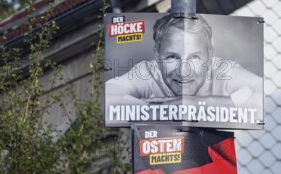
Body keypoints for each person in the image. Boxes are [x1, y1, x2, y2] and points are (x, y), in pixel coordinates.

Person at [105, 14, 263, 111]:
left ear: (210, 55)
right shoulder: (147, 71)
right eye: (172, 57)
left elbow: (260, 90)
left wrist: (197, 105)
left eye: (194, 57)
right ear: (157, 55)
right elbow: (109, 98)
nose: (183, 71)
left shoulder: (223, 70)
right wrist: (171, 108)